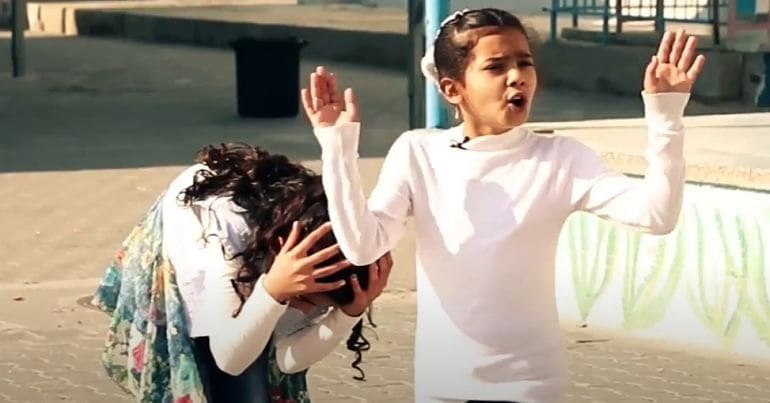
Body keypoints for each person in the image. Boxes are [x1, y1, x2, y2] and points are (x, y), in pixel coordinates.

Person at [300, 7, 705, 403]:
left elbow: (656, 216)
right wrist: (337, 148)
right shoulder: (418, 151)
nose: (517, 78)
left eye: (524, 63)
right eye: (495, 67)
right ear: (452, 89)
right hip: (444, 384)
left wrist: (666, 116)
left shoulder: (561, 158)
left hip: (531, 386)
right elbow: (363, 247)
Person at [91, 142, 392, 403]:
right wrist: (273, 292)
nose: (300, 309)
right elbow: (229, 360)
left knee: (261, 351)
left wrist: (347, 315)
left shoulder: (326, 252)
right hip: (194, 244)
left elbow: (287, 359)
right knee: (220, 379)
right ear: (281, 246)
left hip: (261, 260)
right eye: (305, 299)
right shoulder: (223, 232)